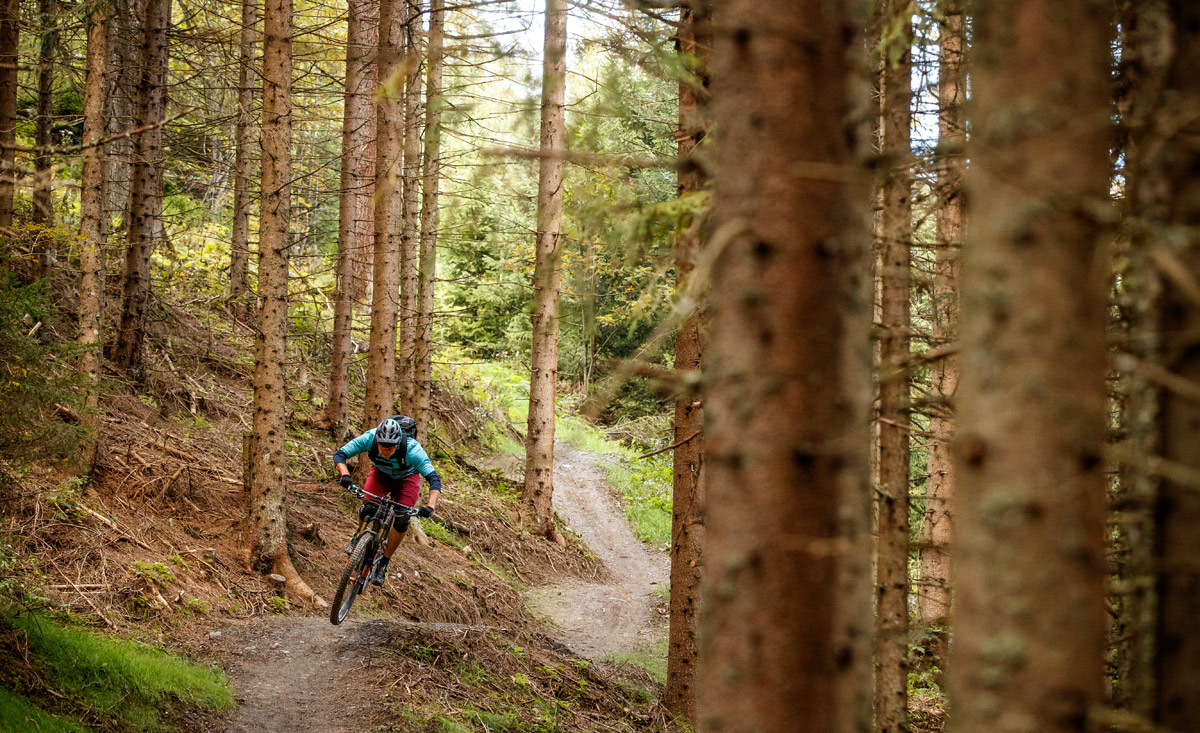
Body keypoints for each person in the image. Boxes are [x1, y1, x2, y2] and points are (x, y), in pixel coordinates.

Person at [333, 416, 441, 586]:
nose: (385, 450)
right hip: (380, 473)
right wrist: (345, 475)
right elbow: (340, 454)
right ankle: (359, 533)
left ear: (397, 443)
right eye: (382, 445)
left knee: (402, 519)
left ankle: (384, 562)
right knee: (368, 506)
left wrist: (430, 506)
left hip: (407, 478)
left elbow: (434, 479)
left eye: (389, 447)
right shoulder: (370, 437)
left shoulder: (413, 450)